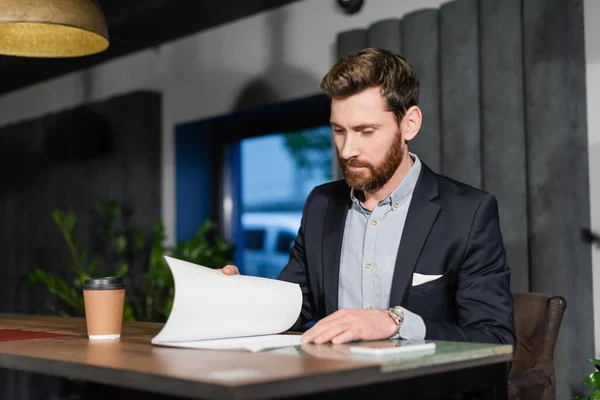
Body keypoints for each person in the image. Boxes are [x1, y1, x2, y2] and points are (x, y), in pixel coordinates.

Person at [222, 47, 515, 347]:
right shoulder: (321, 205)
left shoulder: (468, 214)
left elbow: (496, 341)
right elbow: (292, 307)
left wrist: (394, 323)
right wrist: (235, 297)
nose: (347, 150)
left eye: (366, 131)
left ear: (409, 124)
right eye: (339, 131)